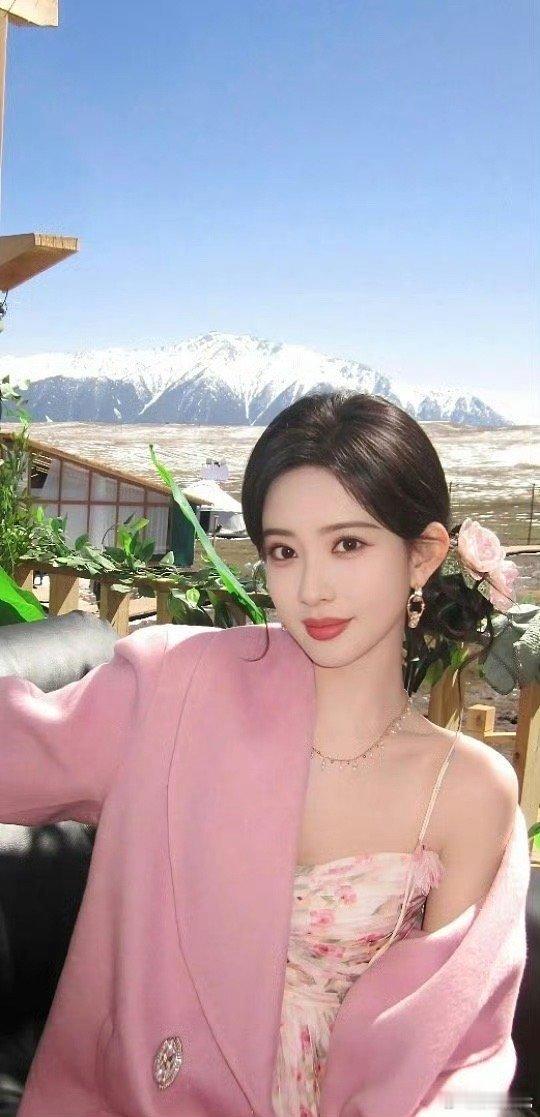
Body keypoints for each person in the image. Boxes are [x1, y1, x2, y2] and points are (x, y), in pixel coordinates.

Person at [0, 390, 528, 1117]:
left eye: (348, 544)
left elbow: (456, 1051)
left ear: (423, 555)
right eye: (284, 550)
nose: (310, 588)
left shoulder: (468, 788)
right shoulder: (178, 686)